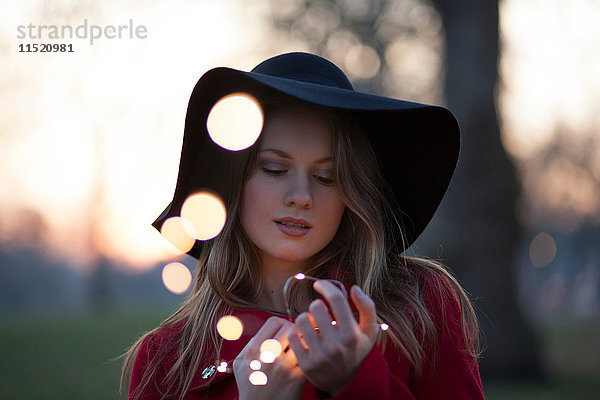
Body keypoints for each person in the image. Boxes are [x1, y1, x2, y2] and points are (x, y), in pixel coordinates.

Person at [121, 52, 484, 399]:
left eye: (327, 177)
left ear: (352, 193)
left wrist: (355, 382)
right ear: (233, 183)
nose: (301, 196)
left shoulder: (416, 305)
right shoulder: (168, 358)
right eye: (275, 169)